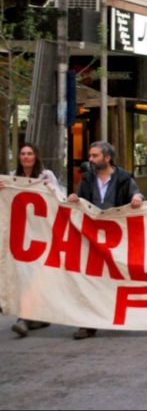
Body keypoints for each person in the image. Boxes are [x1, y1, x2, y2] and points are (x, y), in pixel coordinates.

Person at [67, 141, 144, 340]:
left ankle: (119, 314)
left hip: (116, 239)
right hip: (91, 238)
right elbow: (81, 200)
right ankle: (87, 323)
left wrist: (137, 197)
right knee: (90, 280)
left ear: (107, 158)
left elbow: (135, 193)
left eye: (94, 156)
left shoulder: (124, 178)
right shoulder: (86, 178)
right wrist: (75, 198)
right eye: (90, 155)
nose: (90, 159)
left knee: (116, 278)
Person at [0, 143, 59, 338]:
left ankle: (29, 316)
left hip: (40, 233)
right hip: (21, 234)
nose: (26, 157)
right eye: (23, 154)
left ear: (36, 156)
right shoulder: (12, 176)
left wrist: (49, 189)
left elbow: (57, 198)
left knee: (36, 274)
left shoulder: (46, 175)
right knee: (24, 274)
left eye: (29, 153)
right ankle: (27, 317)